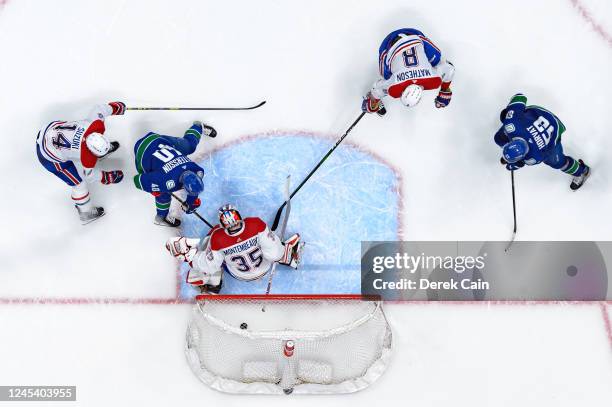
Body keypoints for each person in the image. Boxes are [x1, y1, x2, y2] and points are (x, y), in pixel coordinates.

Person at [165, 204, 304, 293]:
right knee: (270, 244)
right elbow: (274, 254)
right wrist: (278, 247)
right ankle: (290, 256)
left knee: (212, 238)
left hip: (240, 275)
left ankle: (213, 283)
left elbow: (210, 265)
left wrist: (190, 256)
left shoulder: (218, 237)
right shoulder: (255, 224)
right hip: (265, 268)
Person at [36, 102, 125, 224]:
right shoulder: (86, 158)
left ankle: (102, 149)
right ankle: (85, 212)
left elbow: (100, 109)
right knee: (79, 184)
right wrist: (107, 177)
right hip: (48, 154)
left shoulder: (93, 124)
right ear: (90, 151)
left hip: (50, 129)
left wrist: (115, 108)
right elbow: (89, 175)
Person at [494, 93, 591, 190]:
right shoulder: (512, 123)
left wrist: (517, 163)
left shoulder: (535, 156)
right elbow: (520, 97)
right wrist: (512, 110)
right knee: (499, 137)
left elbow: (523, 162)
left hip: (553, 129)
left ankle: (581, 171)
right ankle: (512, 150)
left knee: (557, 162)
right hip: (535, 117)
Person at [132, 121, 217, 226]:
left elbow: (194, 187)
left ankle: (198, 127)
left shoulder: (197, 170)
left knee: (189, 146)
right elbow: (137, 180)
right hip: (142, 152)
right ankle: (161, 218)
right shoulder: (165, 181)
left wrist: (191, 202)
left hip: (158, 140)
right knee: (163, 194)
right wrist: (154, 189)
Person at [362, 28, 455, 115]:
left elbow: (450, 69)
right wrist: (373, 102)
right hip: (391, 42)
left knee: (436, 60)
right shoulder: (394, 84)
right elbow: (377, 88)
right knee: (386, 76)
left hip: (413, 36)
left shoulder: (433, 80)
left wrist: (445, 89)